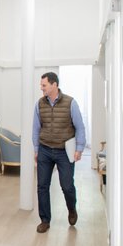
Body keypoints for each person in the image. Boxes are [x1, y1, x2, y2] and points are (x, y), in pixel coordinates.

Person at [33, 72, 86, 234]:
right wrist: (36, 149)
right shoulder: (39, 104)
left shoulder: (71, 103)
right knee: (42, 186)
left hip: (64, 152)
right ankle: (45, 220)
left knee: (67, 186)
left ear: (54, 84)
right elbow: (36, 128)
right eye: (41, 85)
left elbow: (80, 127)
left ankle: (72, 209)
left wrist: (79, 148)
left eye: (44, 85)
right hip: (45, 150)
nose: (41, 88)